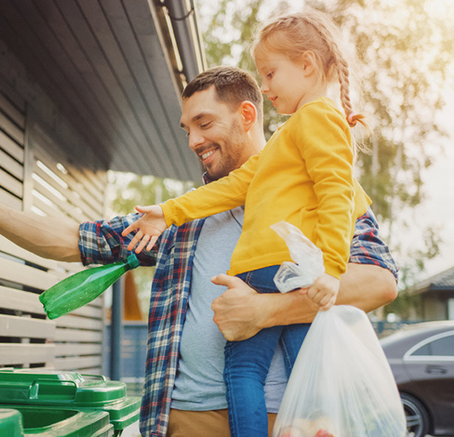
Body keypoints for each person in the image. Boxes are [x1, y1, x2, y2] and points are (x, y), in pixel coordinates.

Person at [0, 66, 398, 437]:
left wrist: (265, 311)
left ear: (247, 115)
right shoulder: (182, 217)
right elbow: (76, 240)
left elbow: (378, 283)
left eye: (205, 124)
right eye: (187, 129)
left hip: (284, 420)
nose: (193, 141)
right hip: (183, 419)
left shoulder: (321, 188)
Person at [122, 11, 378, 437]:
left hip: (282, 271)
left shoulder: (318, 118)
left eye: (271, 73)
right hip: (270, 272)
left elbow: (338, 194)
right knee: (298, 368)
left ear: (308, 65)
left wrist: (332, 269)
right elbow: (233, 186)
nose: (265, 86)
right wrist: (168, 212)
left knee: (248, 371)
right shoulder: (289, 135)